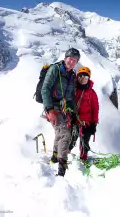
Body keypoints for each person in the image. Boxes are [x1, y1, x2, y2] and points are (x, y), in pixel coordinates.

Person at [41, 48, 80, 176]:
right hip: (52, 107)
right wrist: (49, 109)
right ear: (65, 58)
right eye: (70, 58)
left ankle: (54, 158)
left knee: (60, 132)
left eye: (75, 60)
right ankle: (61, 171)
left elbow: (69, 96)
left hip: (62, 108)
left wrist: (72, 111)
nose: (72, 61)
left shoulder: (72, 75)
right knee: (65, 135)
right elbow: (45, 89)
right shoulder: (55, 70)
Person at [68, 66, 99, 161]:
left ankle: (83, 157)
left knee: (85, 142)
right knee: (71, 140)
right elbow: (68, 103)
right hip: (74, 120)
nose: (83, 79)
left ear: (88, 79)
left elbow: (95, 108)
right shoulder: (72, 89)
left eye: (86, 77)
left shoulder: (91, 93)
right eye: (81, 76)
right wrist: (69, 117)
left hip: (87, 123)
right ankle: (64, 155)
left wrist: (94, 123)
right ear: (77, 77)